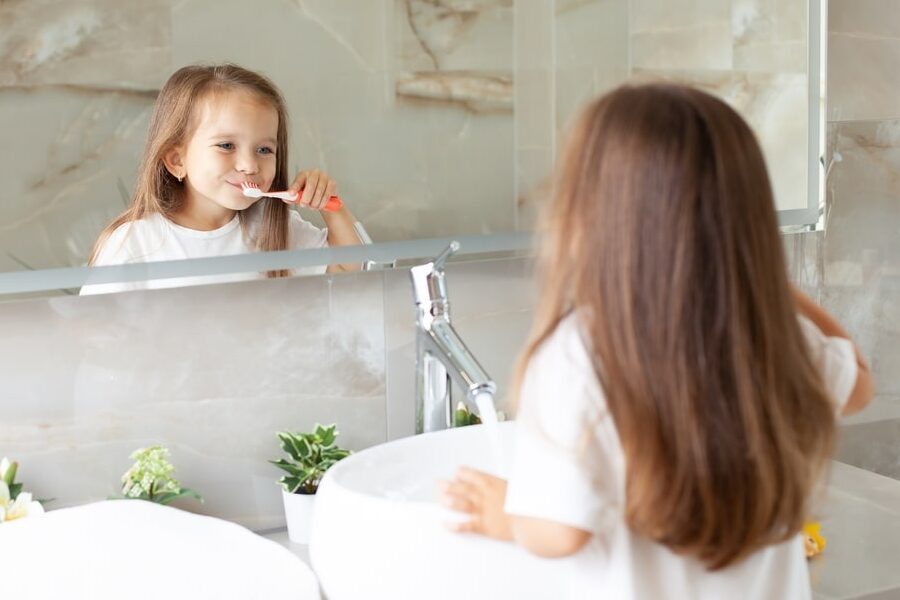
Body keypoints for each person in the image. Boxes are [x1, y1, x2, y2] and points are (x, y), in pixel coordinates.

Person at [440, 83, 874, 599]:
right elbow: (860, 385)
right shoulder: (768, 337)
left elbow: (559, 532)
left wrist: (504, 514)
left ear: (592, 214)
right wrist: (763, 282)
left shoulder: (580, 355)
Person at [81, 63, 362, 295]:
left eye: (264, 149)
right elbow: (98, 343)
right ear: (177, 160)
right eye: (226, 145)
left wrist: (331, 207)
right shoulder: (136, 243)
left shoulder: (272, 226)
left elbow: (350, 274)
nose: (249, 165)